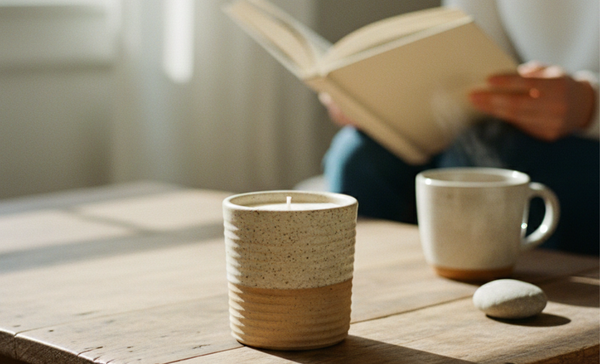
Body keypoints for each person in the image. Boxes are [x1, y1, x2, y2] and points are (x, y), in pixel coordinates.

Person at [321, 0, 599, 255]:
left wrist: (590, 105)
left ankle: (515, 298)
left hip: (584, 136)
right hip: (506, 120)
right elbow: (469, 46)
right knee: (358, 156)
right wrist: (374, 102)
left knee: (479, 167)